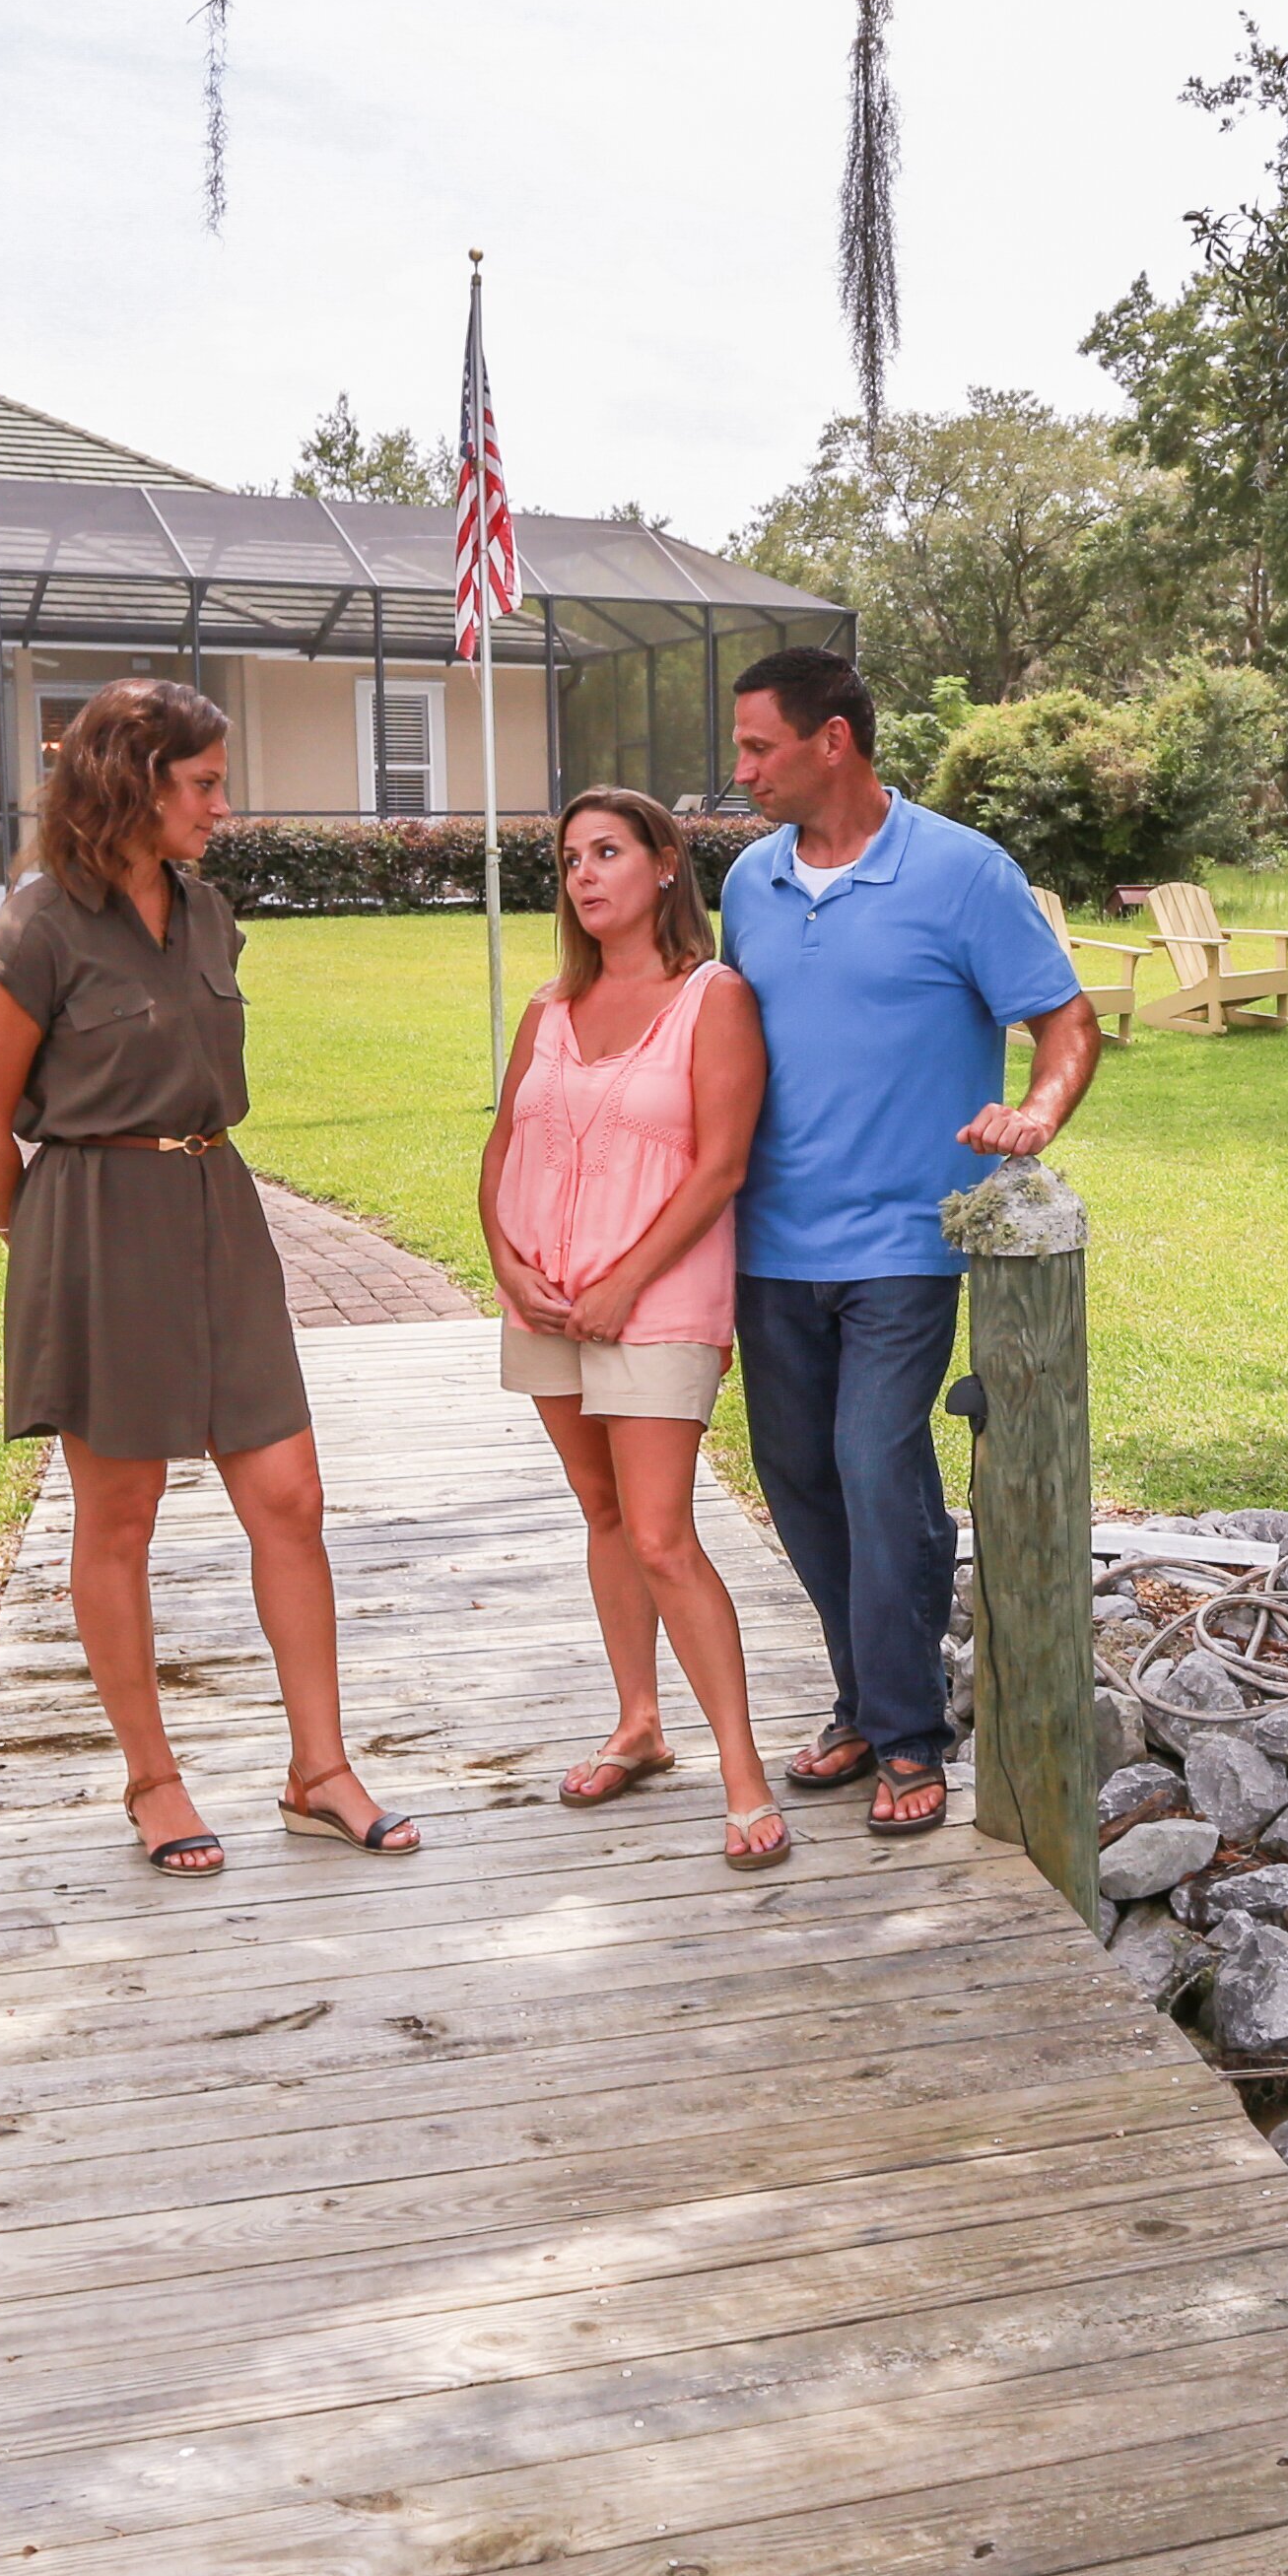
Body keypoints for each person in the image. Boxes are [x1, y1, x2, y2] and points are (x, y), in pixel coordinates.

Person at [0, 679, 411, 1869]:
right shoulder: (36, 929)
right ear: (131, 784)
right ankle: (152, 1780)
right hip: (96, 1222)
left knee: (289, 1496)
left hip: (217, 1210)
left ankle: (319, 1769)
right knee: (121, 1516)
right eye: (201, 783)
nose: (220, 805)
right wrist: (53, 1252)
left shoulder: (206, 912)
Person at [717, 646, 1102, 1838]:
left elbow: (1066, 1020)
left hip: (905, 1236)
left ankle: (905, 1731)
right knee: (800, 1479)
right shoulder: (747, 882)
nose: (742, 771)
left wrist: (1036, 1112)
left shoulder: (962, 871)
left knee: (877, 1466)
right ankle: (863, 1693)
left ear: (831, 739)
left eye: (758, 747)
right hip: (767, 1240)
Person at [476, 789, 788, 1867]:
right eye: (570, 859)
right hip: (546, 1301)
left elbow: (721, 1166)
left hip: (657, 1303)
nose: (583, 875)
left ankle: (742, 1772)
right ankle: (637, 1723)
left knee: (660, 1532)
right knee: (602, 1511)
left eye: (606, 852)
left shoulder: (713, 998)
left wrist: (624, 1284)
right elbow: (501, 1148)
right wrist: (506, 1263)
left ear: (663, 865)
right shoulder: (547, 1008)